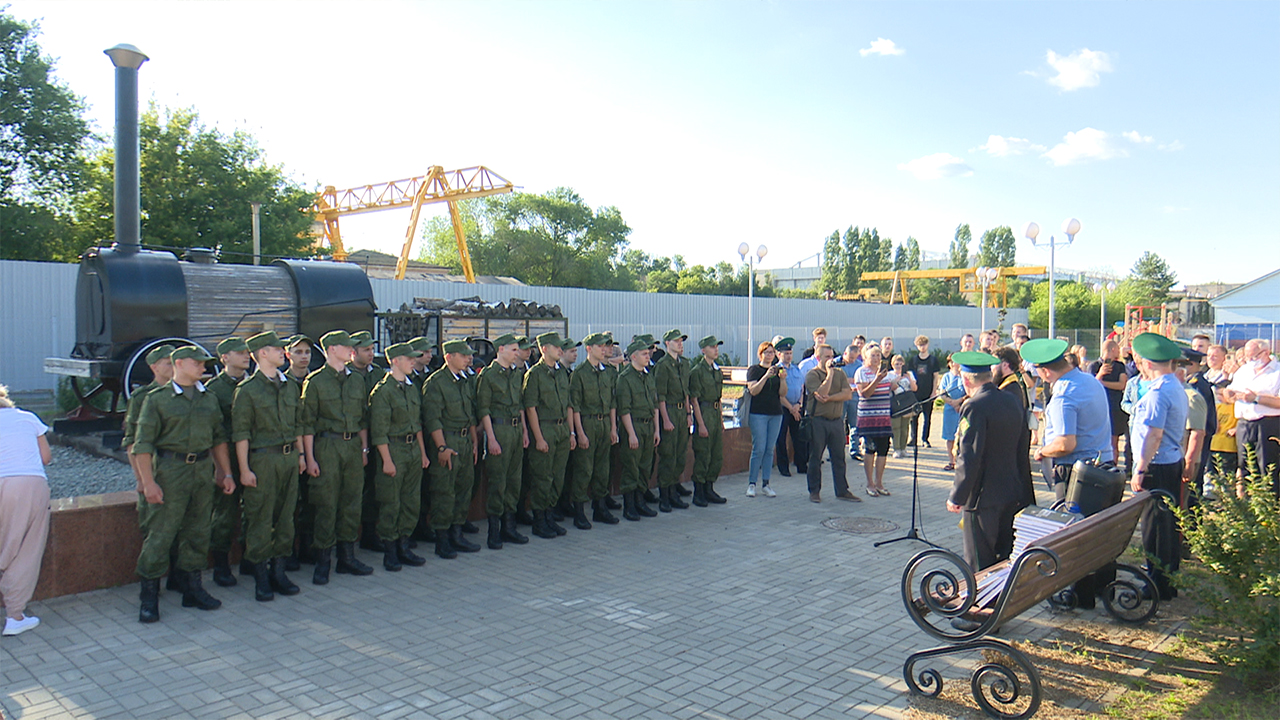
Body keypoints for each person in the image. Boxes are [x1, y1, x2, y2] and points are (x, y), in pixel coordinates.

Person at [134, 345, 235, 621]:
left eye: (205, 363)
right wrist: (148, 482)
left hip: (201, 470)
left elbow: (218, 439)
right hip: (170, 470)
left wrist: (225, 473)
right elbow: (142, 445)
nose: (203, 367)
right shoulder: (157, 400)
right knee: (161, 533)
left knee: (198, 530)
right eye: (198, 363)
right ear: (178, 363)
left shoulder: (208, 398)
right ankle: (149, 596)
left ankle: (193, 589)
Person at [232, 332, 306, 602]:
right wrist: (244, 469)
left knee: (286, 516)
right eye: (277, 349)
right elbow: (241, 434)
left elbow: (298, 423)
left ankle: (279, 571)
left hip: (288, 457)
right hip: (262, 459)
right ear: (262, 353)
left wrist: (300, 455)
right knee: (261, 518)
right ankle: (261, 576)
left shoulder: (288, 386)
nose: (282, 353)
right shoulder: (248, 390)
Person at [946, 352, 1030, 574]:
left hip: (982, 497)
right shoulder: (1011, 399)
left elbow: (969, 456)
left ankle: (983, 604)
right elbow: (1022, 446)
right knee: (1004, 555)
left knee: (979, 560)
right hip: (1010, 490)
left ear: (965, 380)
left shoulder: (974, 406)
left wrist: (957, 495)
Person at [301, 330, 374, 584]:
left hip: (352, 445)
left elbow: (362, 418)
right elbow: (307, 424)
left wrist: (364, 448)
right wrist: (309, 458)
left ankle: (347, 557)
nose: (352, 350)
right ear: (332, 349)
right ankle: (323, 561)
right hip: (327, 446)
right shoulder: (315, 382)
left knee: (351, 501)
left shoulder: (355, 381)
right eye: (347, 346)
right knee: (326, 503)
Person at [1127, 333, 1191, 601]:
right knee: (1167, 524)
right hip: (1170, 460)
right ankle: (1166, 579)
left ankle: (1157, 582)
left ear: (1148, 363)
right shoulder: (1174, 385)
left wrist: (1140, 468)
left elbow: (1154, 434)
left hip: (1157, 464)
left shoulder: (1159, 392)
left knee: (1155, 527)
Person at [1022, 339, 1114, 503]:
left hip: (1077, 473)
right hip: (1103, 464)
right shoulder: (1090, 380)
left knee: (1073, 523)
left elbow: (1065, 444)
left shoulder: (1064, 396)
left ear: (1046, 371)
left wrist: (1042, 452)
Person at [368, 342, 429, 571]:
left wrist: (422, 453)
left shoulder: (411, 388)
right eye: (408, 358)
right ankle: (390, 551)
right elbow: (380, 431)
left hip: (412, 449)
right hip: (393, 449)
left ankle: (404, 545)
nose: (413, 361)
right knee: (391, 502)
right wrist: (386, 460)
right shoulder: (383, 392)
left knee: (411, 500)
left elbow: (417, 424)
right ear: (395, 361)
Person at [0, 384, 53, 636]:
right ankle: (15, 616)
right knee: (26, 550)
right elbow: (45, 458)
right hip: (28, 484)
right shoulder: (28, 418)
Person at [423, 340, 481, 556]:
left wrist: (475, 442)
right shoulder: (436, 383)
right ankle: (442, 539)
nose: (469, 359)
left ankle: (457, 533)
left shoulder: (465, 380)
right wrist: (441, 448)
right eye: (464, 355)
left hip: (465, 441)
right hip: (448, 441)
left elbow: (471, 415)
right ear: (449, 357)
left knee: (463, 488)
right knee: (444, 491)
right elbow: (433, 419)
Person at [477, 334, 534, 545]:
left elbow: (519, 405)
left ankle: (509, 527)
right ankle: (494, 530)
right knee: (497, 481)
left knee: (513, 480)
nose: (517, 353)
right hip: (498, 429)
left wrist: (525, 432)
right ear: (500, 349)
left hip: (516, 429)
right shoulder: (488, 375)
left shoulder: (516, 374)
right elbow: (484, 409)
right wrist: (490, 439)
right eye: (513, 349)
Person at [205, 337, 251, 587]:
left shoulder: (254, 385)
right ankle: (221, 565)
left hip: (254, 455)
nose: (246, 356)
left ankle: (249, 560)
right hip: (228, 457)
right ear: (225, 357)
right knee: (224, 513)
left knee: (253, 511)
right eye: (239, 353)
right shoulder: (214, 389)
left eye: (247, 352)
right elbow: (213, 432)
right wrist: (220, 468)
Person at [523, 332, 575, 538]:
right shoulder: (535, 375)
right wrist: (539, 437)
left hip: (562, 429)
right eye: (557, 347)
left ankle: (549, 515)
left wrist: (571, 432)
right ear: (544, 348)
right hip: (545, 428)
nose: (561, 350)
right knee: (542, 477)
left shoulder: (562, 373)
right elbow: (531, 408)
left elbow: (569, 404)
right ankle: (539, 520)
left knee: (557, 477)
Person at [569, 333, 619, 525]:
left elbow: (612, 403)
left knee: (602, 468)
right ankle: (579, 511)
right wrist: (579, 432)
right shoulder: (580, 374)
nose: (604, 350)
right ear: (589, 348)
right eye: (600, 347)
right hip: (587, 423)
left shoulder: (606, 372)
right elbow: (575, 406)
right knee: (584, 468)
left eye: (605, 346)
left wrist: (613, 428)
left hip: (605, 422)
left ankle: (600, 508)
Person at [1222, 339, 1280, 496]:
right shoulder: (1244, 371)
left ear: (1266, 353)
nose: (1249, 360)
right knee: (1244, 467)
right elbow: (1230, 392)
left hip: (1267, 424)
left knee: (1266, 468)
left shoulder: (1277, 372)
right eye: (1247, 356)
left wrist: (1256, 398)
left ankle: (1269, 507)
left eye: (1253, 356)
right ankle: (1245, 507)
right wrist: (1229, 394)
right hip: (1244, 424)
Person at [804, 344, 859, 503]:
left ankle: (842, 490)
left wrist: (831, 397)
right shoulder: (812, 374)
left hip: (836, 421)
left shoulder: (840, 373)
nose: (831, 360)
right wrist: (829, 375)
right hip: (818, 421)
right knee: (816, 457)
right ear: (819, 358)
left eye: (832, 356)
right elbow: (820, 393)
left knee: (839, 457)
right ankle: (814, 490)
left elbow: (848, 394)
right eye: (827, 357)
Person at [616, 338, 660, 519]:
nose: (647, 355)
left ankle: (640, 501)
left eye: (647, 353)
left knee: (644, 466)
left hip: (648, 426)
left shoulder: (648, 376)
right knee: (631, 467)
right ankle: (629, 505)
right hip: (634, 426)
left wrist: (657, 430)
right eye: (643, 353)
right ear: (633, 356)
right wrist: (631, 434)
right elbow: (624, 409)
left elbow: (655, 404)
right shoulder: (625, 379)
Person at [991, 345, 1035, 510]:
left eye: (994, 364)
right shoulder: (1009, 385)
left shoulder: (1010, 389)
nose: (991, 368)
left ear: (1005, 365)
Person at [654, 329, 692, 512]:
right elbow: (660, 396)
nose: (680, 344)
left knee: (679, 454)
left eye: (681, 341)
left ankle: (674, 490)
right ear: (667, 343)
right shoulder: (663, 365)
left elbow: (686, 392)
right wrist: (666, 420)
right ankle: (665, 495)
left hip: (680, 411)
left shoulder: (684, 364)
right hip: (668, 410)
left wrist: (688, 413)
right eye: (676, 341)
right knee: (668, 455)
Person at [688, 335, 728, 506]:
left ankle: (709, 488)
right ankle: (699, 492)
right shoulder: (697, 371)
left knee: (716, 455)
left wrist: (721, 420)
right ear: (704, 350)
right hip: (703, 412)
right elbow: (694, 400)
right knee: (703, 453)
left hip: (714, 412)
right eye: (712, 347)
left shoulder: (716, 371)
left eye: (717, 347)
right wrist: (701, 424)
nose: (716, 350)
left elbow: (718, 399)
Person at [745, 341, 786, 498]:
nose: (770, 355)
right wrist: (766, 376)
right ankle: (751, 483)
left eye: (772, 352)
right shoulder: (754, 370)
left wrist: (782, 379)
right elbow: (753, 390)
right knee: (759, 448)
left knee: (770, 449)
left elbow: (783, 393)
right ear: (760, 354)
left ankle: (766, 483)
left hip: (775, 413)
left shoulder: (778, 370)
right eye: (766, 352)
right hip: (758, 413)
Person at [855, 343, 894, 496]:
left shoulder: (886, 373)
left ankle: (879, 482)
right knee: (870, 448)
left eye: (878, 355)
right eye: (873, 355)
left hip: (883, 415)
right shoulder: (861, 372)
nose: (877, 358)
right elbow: (865, 394)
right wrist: (877, 379)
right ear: (866, 357)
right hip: (868, 416)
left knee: (883, 449)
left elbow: (892, 388)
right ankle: (869, 483)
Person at [1089, 340, 1131, 473]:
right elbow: (1090, 385)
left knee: (1114, 441)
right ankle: (1097, 468)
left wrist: (1103, 383)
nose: (1119, 353)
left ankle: (1113, 469)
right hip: (1098, 406)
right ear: (1113, 350)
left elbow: (1122, 385)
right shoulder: (1094, 366)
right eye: (1117, 350)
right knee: (1097, 440)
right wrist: (1100, 375)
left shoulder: (1119, 366)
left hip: (1115, 407)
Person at [773, 337, 807, 478]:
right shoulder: (777, 370)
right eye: (785, 353)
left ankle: (801, 464)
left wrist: (798, 405)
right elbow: (778, 393)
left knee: (799, 437)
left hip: (796, 407)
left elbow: (802, 388)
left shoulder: (796, 369)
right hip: (783, 407)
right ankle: (784, 467)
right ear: (779, 354)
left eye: (790, 353)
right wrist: (790, 408)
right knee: (781, 438)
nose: (788, 356)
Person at [908, 335, 941, 449]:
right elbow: (910, 376)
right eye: (920, 345)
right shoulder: (913, 360)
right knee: (914, 417)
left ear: (928, 345)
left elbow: (936, 377)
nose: (922, 347)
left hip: (928, 393)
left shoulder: (933, 360)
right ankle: (913, 439)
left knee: (927, 417)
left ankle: (925, 439)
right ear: (917, 346)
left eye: (924, 344)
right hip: (916, 393)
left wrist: (934, 392)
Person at [937, 357, 965, 471]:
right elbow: (942, 393)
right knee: (950, 436)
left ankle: (961, 461)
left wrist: (959, 402)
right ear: (950, 363)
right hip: (949, 409)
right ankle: (951, 461)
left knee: (962, 435)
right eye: (953, 362)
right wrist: (952, 403)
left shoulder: (964, 376)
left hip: (962, 407)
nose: (956, 364)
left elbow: (969, 391)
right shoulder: (946, 377)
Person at [839, 344, 864, 460]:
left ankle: (854, 450)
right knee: (838, 424)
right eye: (850, 358)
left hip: (854, 397)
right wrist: (845, 381)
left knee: (855, 424)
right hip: (840, 398)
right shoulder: (836, 364)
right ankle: (837, 450)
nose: (852, 360)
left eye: (854, 358)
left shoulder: (859, 366)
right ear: (845, 354)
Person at [889, 354, 917, 459]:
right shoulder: (889, 375)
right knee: (896, 427)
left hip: (906, 402)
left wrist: (909, 378)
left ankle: (903, 448)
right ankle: (896, 449)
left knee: (905, 426)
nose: (899, 366)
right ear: (892, 364)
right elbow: (892, 388)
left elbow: (914, 388)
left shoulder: (909, 374)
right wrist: (897, 379)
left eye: (901, 364)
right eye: (896, 364)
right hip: (896, 402)